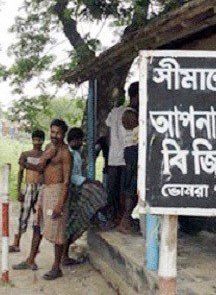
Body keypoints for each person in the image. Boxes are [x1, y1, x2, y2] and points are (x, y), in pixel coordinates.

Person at [13, 119, 72, 280]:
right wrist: (29, 163)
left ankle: (56, 267)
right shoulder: (49, 149)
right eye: (52, 132)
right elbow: (40, 167)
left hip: (57, 191)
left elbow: (66, 181)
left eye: (58, 133)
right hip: (44, 190)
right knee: (37, 224)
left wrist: (60, 203)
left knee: (58, 229)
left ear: (64, 134)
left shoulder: (65, 153)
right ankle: (31, 259)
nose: (55, 135)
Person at [62, 127, 107, 266]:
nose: (81, 143)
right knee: (71, 222)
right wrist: (88, 181)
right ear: (74, 140)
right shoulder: (68, 154)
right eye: (80, 140)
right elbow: (71, 176)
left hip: (76, 187)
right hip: (72, 189)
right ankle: (64, 256)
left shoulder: (76, 153)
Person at [105, 83, 140, 233]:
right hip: (129, 154)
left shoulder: (116, 111)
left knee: (119, 190)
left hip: (117, 156)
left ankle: (117, 219)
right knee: (129, 189)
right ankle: (125, 220)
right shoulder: (131, 113)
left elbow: (108, 132)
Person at [9, 129, 45, 253]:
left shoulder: (45, 155)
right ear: (32, 140)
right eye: (35, 139)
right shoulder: (26, 154)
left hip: (41, 188)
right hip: (29, 187)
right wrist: (19, 190)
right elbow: (20, 172)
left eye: (39, 140)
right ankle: (16, 242)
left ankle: (35, 246)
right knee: (23, 216)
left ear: (43, 141)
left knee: (38, 218)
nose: (37, 142)